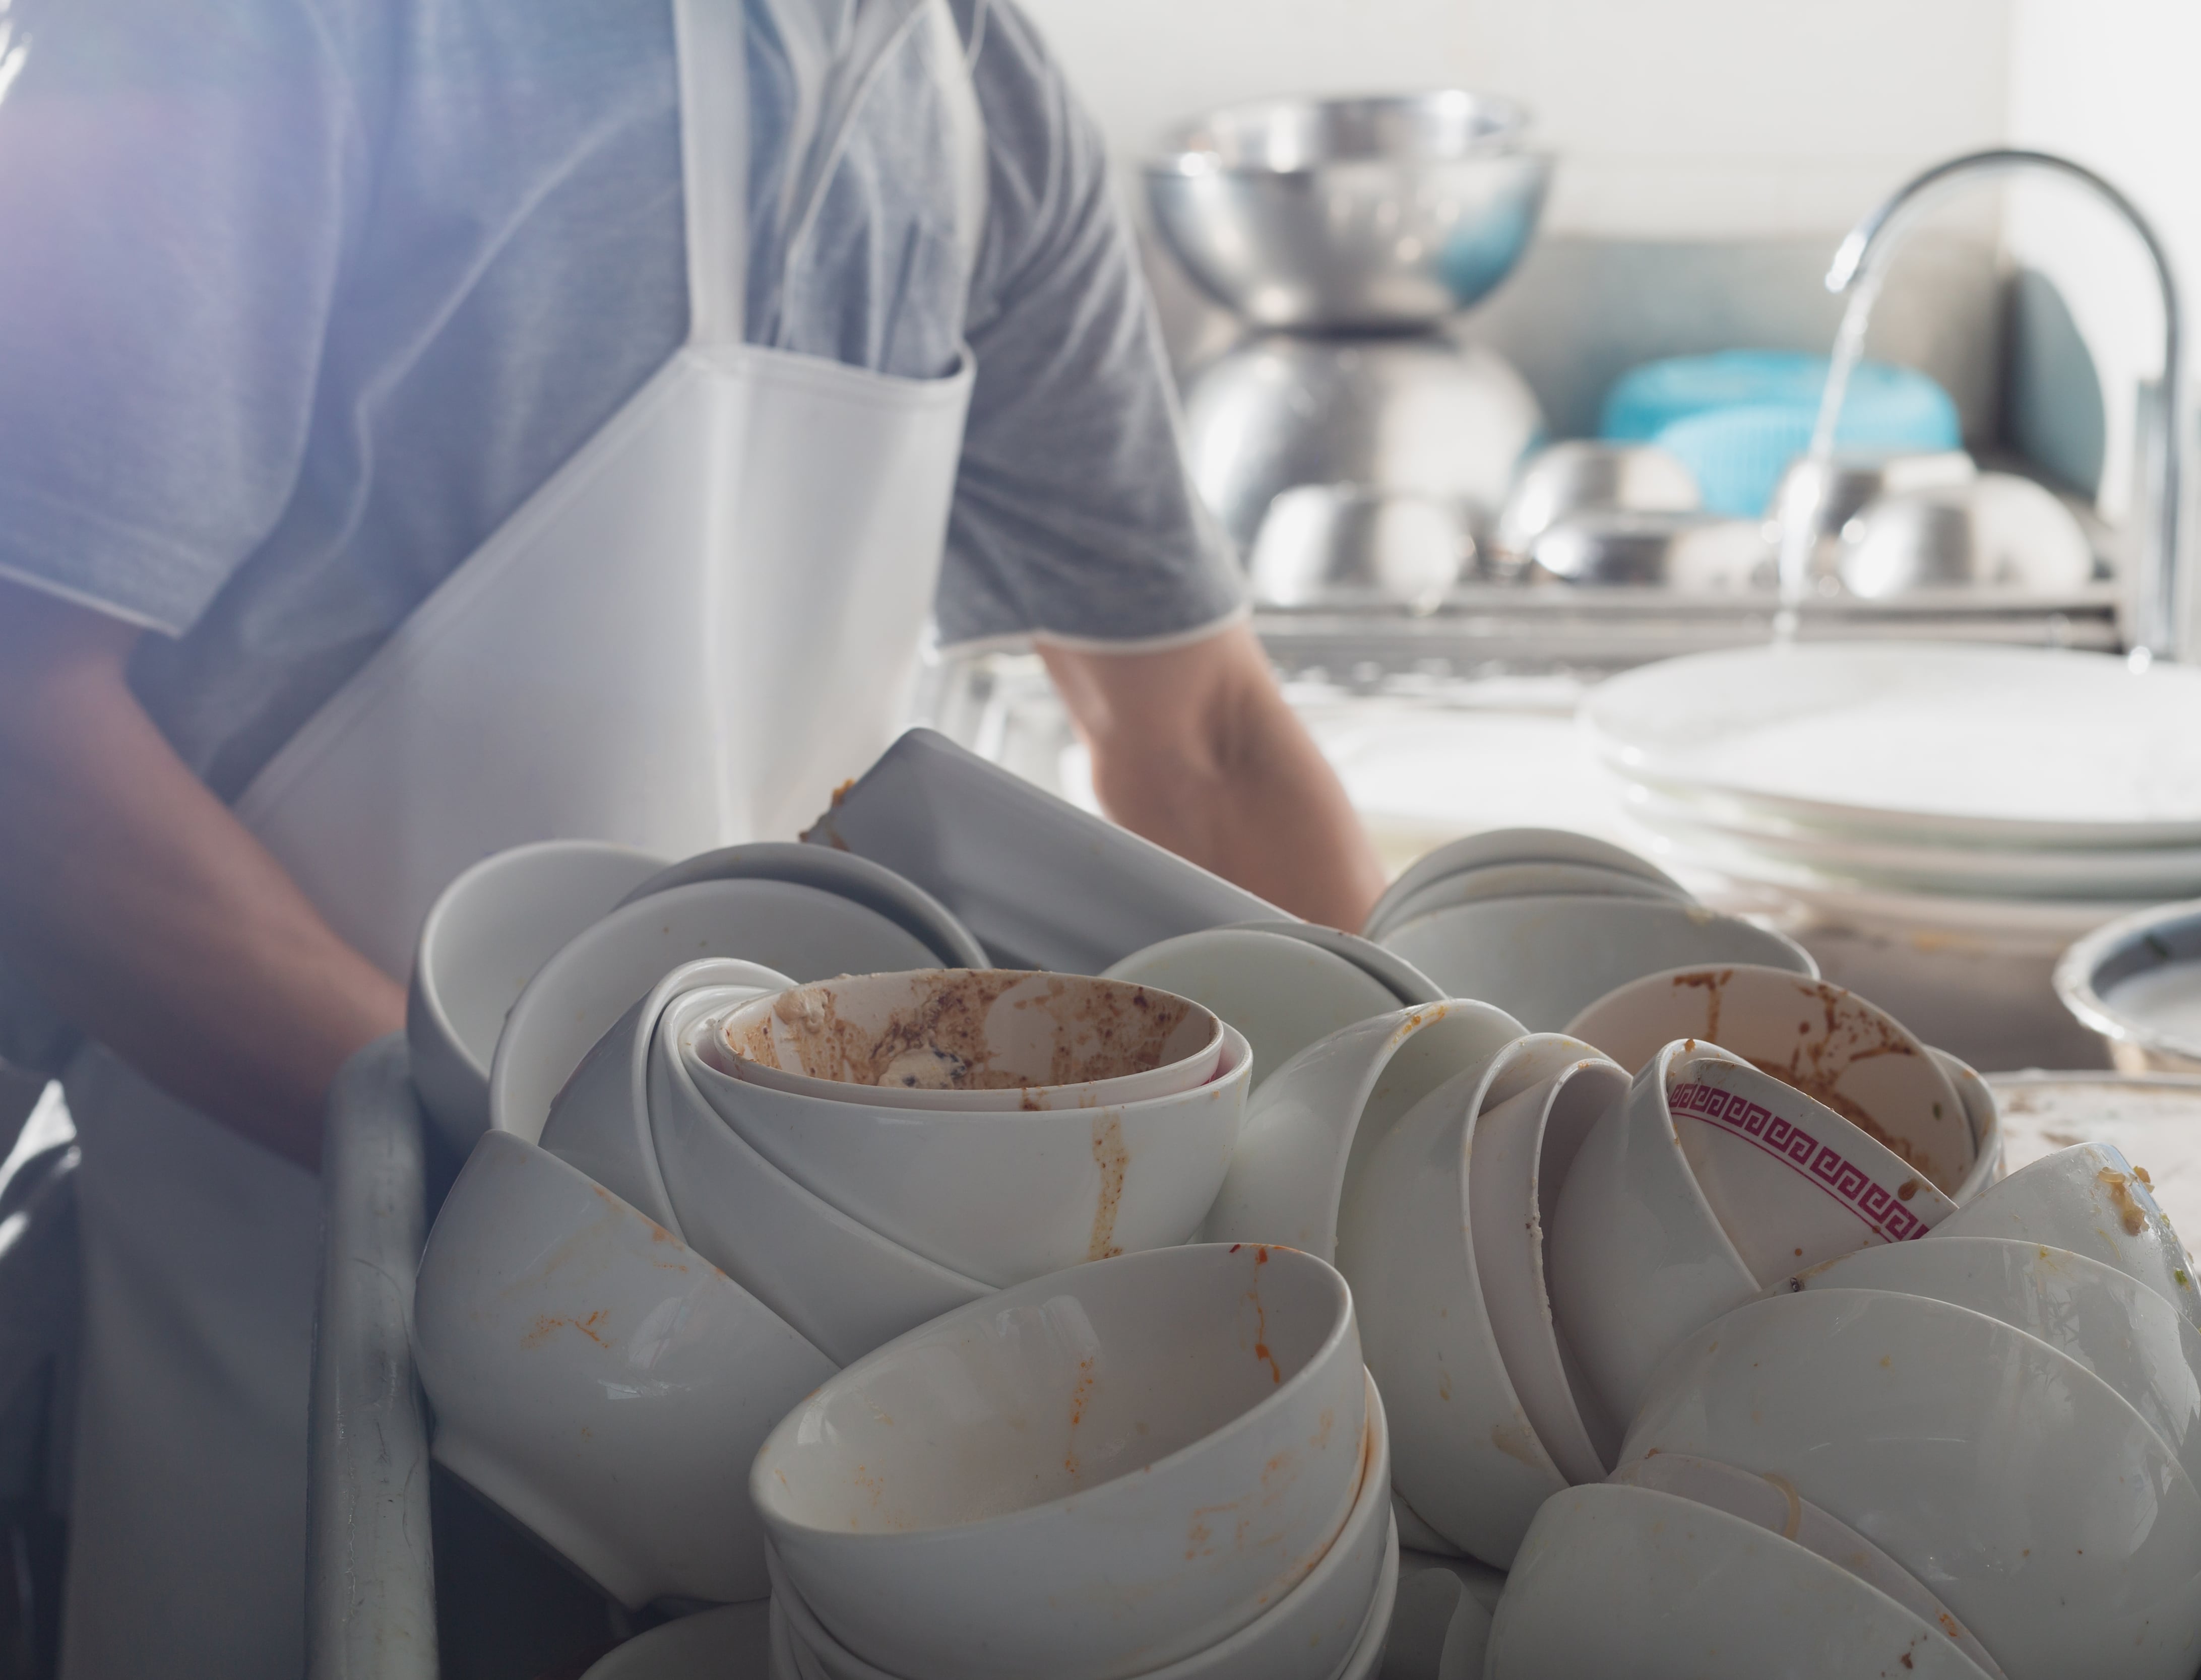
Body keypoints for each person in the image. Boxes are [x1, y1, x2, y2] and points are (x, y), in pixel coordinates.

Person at [0, 0, 1385, 1672]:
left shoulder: (965, 75)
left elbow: (1200, 735)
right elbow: (30, 746)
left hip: (774, 1293)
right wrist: (566, 1215)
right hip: (291, 1277)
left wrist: (1406, 1163)